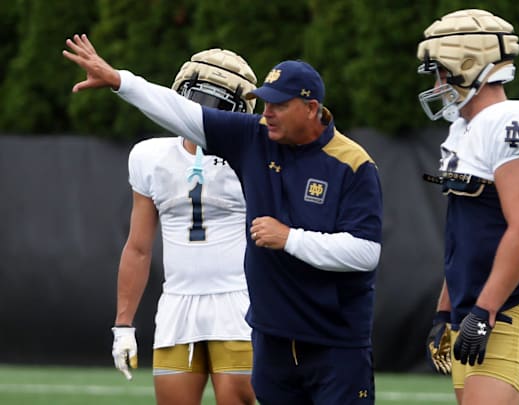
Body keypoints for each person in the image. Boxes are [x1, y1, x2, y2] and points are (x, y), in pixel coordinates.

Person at [64, 34, 383, 405]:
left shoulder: (338, 161)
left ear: (310, 108)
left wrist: (289, 237)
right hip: (233, 321)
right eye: (266, 103)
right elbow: (178, 114)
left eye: (279, 105)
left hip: (283, 320)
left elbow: (365, 251)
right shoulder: (241, 141)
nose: (268, 113)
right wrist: (119, 80)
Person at [418, 9, 519, 404]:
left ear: (468, 66)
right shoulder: (462, 129)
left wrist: (485, 310)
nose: (436, 85)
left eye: (441, 73)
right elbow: (465, 236)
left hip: (510, 300)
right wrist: (445, 310)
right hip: (475, 302)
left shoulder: (512, 120)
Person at [110, 48, 258, 405]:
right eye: (197, 100)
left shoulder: (253, 156)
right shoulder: (149, 157)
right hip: (177, 305)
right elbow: (138, 247)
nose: (202, 114)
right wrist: (123, 325)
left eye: (218, 106)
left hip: (240, 303)